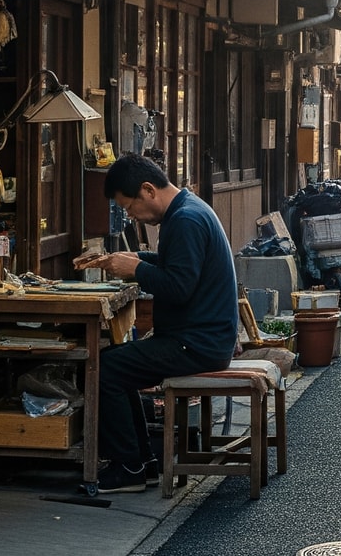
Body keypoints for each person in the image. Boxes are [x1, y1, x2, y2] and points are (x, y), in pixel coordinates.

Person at [92, 153, 240, 492]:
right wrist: (136, 258)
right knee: (115, 366)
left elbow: (179, 286)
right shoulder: (188, 209)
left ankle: (129, 467)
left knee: (104, 370)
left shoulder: (185, 219)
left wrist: (136, 270)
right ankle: (140, 464)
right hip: (202, 338)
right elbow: (178, 264)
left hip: (198, 343)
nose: (130, 216)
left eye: (129, 207)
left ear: (148, 189)